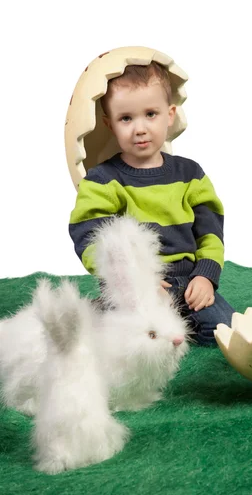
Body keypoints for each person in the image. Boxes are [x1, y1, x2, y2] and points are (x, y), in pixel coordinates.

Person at [69, 62, 235, 345]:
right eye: (126, 118)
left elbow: (210, 233)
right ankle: (105, 311)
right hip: (134, 287)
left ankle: (176, 326)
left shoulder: (190, 175)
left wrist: (206, 276)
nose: (140, 128)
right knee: (118, 339)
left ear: (169, 115)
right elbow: (89, 238)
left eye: (150, 114)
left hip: (188, 283)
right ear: (109, 123)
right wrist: (131, 281)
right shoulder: (103, 180)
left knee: (226, 330)